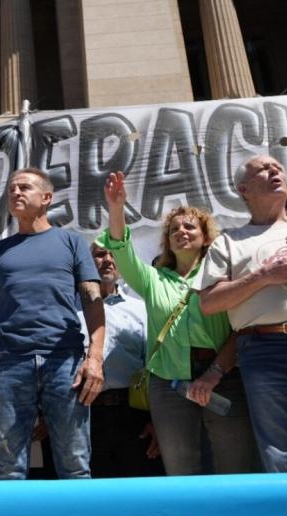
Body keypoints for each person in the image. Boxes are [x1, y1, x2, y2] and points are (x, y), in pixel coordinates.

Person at [99, 172, 257, 476]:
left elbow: (241, 330)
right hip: (168, 383)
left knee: (235, 467)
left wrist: (213, 374)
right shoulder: (151, 278)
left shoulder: (227, 276)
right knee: (181, 469)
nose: (180, 231)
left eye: (189, 226)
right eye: (173, 229)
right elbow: (120, 246)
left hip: (224, 376)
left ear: (206, 236)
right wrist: (116, 208)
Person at [0, 168, 105, 480]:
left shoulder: (72, 242)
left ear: (46, 198)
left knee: (75, 463)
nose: (16, 193)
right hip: (8, 363)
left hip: (65, 363)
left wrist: (94, 358)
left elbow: (93, 303)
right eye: (11, 189)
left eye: (24, 187)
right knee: (7, 467)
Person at [197, 155, 287, 472]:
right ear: (243, 189)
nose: (275, 171)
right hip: (263, 351)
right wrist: (264, 275)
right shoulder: (229, 242)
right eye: (264, 169)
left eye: (278, 167)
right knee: (280, 451)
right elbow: (209, 303)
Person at [84, 244, 162, 478]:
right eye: (99, 255)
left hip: (132, 415)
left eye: (114, 255)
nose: (108, 260)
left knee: (137, 488)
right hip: (82, 415)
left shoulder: (141, 310)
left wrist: (156, 421)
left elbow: (154, 368)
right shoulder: (69, 310)